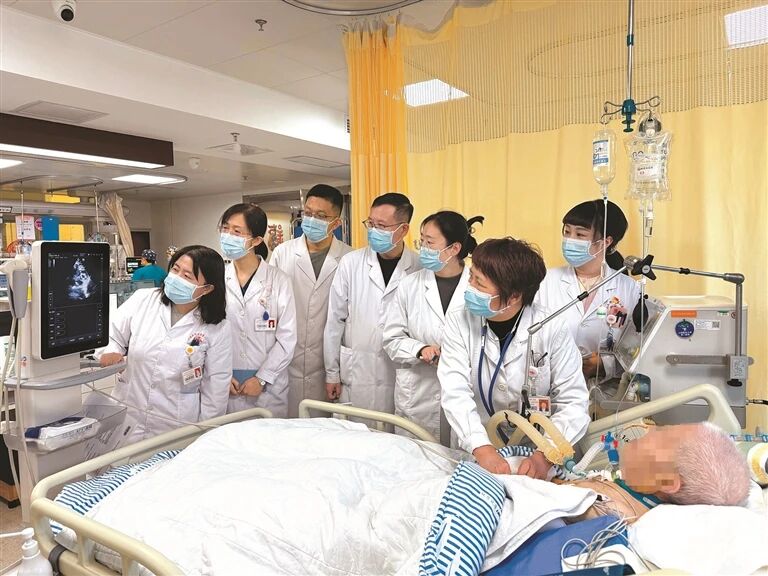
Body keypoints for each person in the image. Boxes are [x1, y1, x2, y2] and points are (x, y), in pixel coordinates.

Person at [438, 238, 589, 477]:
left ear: (513, 296)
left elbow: (574, 401)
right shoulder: (459, 321)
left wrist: (546, 456)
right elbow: (455, 391)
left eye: (479, 282)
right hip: (479, 448)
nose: (469, 287)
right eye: (471, 277)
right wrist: (482, 448)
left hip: (538, 450)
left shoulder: (551, 327)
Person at [99, 245, 231, 446]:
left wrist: (205, 435)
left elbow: (216, 387)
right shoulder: (144, 299)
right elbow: (112, 333)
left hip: (176, 423)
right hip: (129, 411)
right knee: (121, 462)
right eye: (175, 269)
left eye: (187, 276)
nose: (176, 278)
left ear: (207, 288)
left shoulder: (217, 327)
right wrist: (111, 351)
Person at [383, 211, 483, 443]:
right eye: (422, 241)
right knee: (417, 455)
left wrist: (457, 356)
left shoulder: (478, 286)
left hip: (465, 389)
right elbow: (391, 338)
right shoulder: (410, 285)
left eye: (430, 242)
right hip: (419, 392)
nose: (423, 248)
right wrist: (420, 349)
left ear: (454, 248)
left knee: (461, 452)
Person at [324, 192, 421, 414]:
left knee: (396, 429)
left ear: (403, 229)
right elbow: (334, 321)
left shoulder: (419, 267)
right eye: (371, 223)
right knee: (354, 429)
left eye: (382, 226)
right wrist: (332, 373)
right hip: (356, 372)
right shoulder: (351, 263)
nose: (373, 231)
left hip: (398, 373)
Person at [271, 184, 352, 417]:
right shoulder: (282, 253)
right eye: (308, 213)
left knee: (324, 431)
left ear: (336, 223)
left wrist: (334, 371)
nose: (312, 220)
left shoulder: (349, 258)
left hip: (329, 367)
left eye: (321, 216)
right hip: (287, 363)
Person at [536, 200, 641, 381]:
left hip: (606, 390)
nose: (570, 240)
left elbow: (638, 347)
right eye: (567, 232)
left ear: (605, 242)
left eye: (580, 234)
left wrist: (605, 365)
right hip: (551, 384)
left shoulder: (629, 288)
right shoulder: (544, 282)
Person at [219, 203, 297, 417]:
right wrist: (220, 375)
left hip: (268, 388)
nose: (228, 236)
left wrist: (262, 378)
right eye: (225, 229)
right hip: (227, 385)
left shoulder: (279, 280)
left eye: (237, 231)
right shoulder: (217, 279)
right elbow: (207, 333)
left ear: (256, 240)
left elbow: (287, 338)